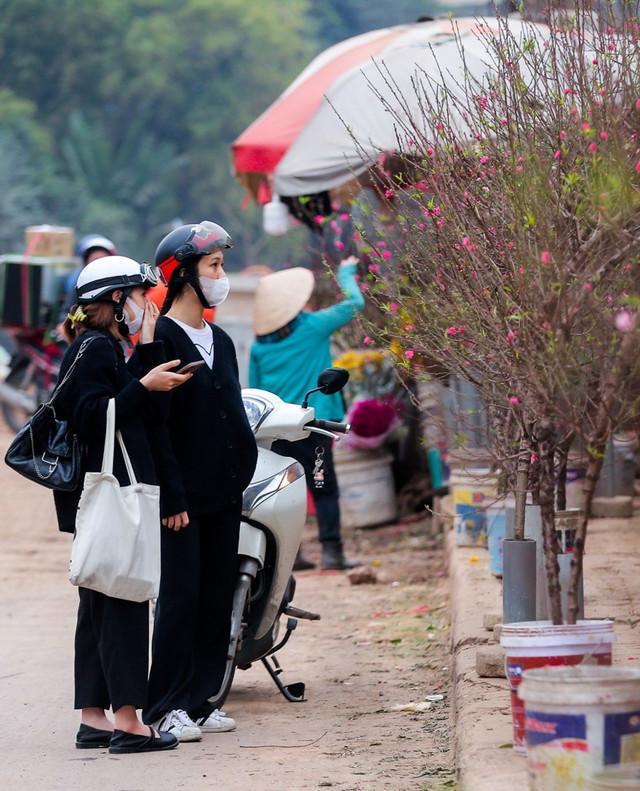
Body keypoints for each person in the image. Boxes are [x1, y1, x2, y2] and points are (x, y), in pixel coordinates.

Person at [54, 255, 191, 754]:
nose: (143, 304)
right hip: (112, 493)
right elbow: (91, 415)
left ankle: (94, 716)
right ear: (116, 301)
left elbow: (130, 407)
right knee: (124, 601)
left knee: (99, 600)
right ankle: (130, 720)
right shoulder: (93, 349)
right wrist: (144, 386)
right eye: (137, 296)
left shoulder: (104, 346)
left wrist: (147, 364)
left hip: (104, 495)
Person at [143, 221, 258, 742]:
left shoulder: (222, 341)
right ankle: (166, 705)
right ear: (184, 275)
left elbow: (231, 411)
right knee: (181, 599)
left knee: (216, 595)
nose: (221, 275)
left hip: (224, 492)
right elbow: (155, 427)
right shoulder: (161, 341)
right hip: (181, 500)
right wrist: (171, 493)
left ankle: (203, 699)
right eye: (213, 266)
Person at [248, 257, 364, 571]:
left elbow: (255, 391)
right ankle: (332, 553)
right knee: (323, 488)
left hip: (276, 430)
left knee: (284, 491)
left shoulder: (259, 348)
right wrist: (346, 272)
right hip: (313, 427)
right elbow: (356, 302)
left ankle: (289, 556)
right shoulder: (313, 326)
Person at [56, 234, 118, 332]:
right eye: (94, 260)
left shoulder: (118, 285)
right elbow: (67, 310)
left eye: (102, 260)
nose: (98, 264)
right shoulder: (79, 285)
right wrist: (64, 325)